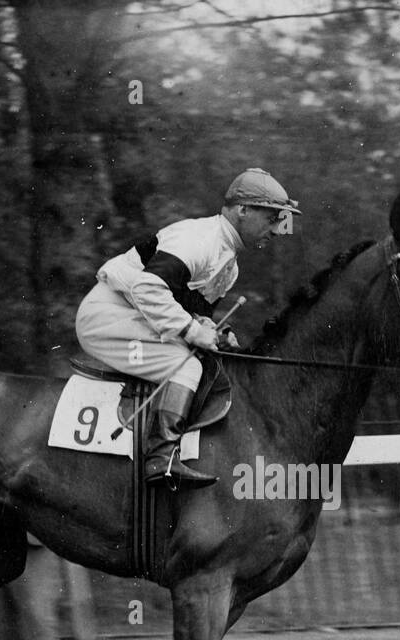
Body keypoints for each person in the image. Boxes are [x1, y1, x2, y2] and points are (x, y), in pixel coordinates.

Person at [75, 168, 301, 489]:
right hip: (108, 314)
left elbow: (187, 314)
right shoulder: (200, 239)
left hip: (136, 317)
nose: (277, 229)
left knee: (206, 361)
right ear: (243, 210)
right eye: (272, 218)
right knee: (187, 366)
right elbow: (148, 288)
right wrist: (195, 332)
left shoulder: (230, 267)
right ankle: (161, 457)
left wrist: (213, 331)